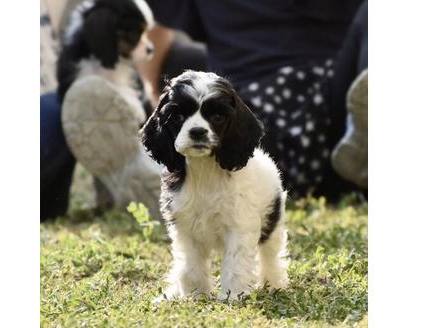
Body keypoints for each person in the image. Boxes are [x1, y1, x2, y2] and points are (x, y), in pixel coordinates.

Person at [140, 0, 368, 200]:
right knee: (184, 67)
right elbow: (152, 23)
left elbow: (154, 24)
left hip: (342, 114)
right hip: (246, 126)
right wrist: (154, 100)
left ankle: (364, 142)